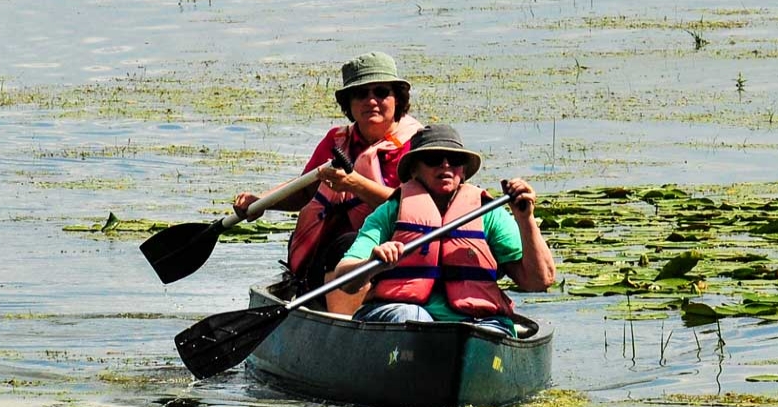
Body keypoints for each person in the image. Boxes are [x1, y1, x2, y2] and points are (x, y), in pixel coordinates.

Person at [234, 51, 422, 313]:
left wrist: (356, 184)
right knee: (333, 247)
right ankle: (323, 307)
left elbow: (416, 210)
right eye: (360, 94)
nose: (371, 101)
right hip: (323, 258)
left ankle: (346, 323)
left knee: (346, 246)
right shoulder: (337, 141)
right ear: (349, 103)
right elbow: (304, 191)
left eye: (381, 92)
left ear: (397, 99)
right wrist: (262, 202)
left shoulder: (419, 145)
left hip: (390, 255)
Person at [327, 124, 555, 336]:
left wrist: (525, 219)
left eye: (454, 160)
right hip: (404, 318)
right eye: (434, 159)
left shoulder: (489, 213)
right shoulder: (390, 213)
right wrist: (371, 263)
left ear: (463, 172)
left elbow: (539, 280)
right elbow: (345, 278)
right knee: (413, 317)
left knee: (487, 331)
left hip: (477, 322)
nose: (445, 165)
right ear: (414, 171)